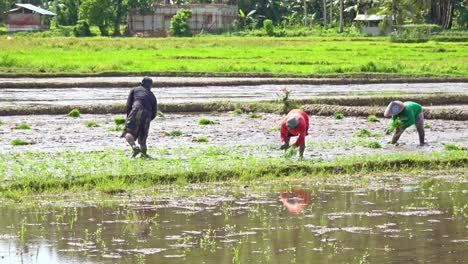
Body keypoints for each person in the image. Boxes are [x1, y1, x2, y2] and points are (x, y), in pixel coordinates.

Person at [122, 77, 157, 157]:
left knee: (127, 131)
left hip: (137, 110)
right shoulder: (152, 95)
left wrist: (128, 118)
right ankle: (144, 154)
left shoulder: (135, 89)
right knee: (143, 136)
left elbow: (128, 105)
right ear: (151, 85)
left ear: (142, 83)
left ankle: (134, 147)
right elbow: (154, 113)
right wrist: (146, 120)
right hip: (148, 114)